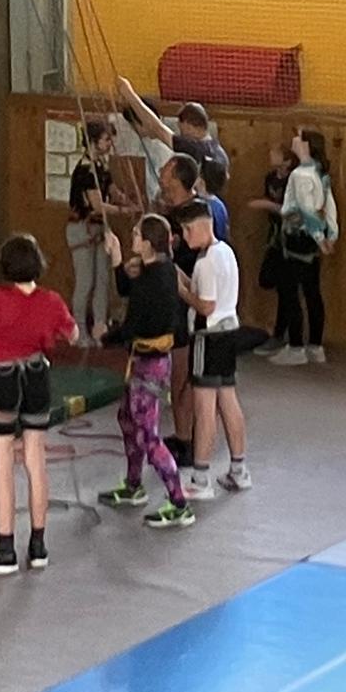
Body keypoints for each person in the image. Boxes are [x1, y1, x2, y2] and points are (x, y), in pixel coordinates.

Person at [0, 234, 78, 575]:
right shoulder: (51, 300)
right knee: (35, 461)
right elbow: (73, 335)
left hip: (3, 380)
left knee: (1, 463)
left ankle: (5, 548)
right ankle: (38, 546)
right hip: (36, 377)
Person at [97, 215, 194, 530]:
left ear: (149, 243)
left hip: (149, 365)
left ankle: (179, 502)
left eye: (137, 234)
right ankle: (133, 483)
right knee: (127, 418)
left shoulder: (155, 280)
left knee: (148, 435)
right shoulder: (159, 270)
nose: (133, 236)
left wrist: (105, 335)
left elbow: (134, 324)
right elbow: (128, 289)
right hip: (143, 360)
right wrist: (116, 257)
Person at [177, 201, 250, 501]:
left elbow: (205, 305)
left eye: (187, 230)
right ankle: (239, 469)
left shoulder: (205, 262)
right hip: (229, 332)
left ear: (202, 225)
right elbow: (208, 293)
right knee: (228, 399)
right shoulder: (225, 252)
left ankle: (200, 478)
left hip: (208, 338)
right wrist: (180, 277)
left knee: (204, 407)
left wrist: (181, 291)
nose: (185, 237)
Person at [156, 151, 225, 460]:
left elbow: (191, 275)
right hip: (180, 302)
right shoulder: (178, 212)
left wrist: (174, 277)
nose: (161, 175)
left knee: (185, 379)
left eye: (167, 171)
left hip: (191, 308)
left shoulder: (196, 218)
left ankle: (190, 442)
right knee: (180, 377)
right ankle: (183, 436)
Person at [268, 128, 338, 367]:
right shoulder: (319, 171)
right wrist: (331, 234)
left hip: (298, 237)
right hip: (312, 239)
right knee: (312, 291)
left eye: (298, 137)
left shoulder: (300, 175)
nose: (294, 140)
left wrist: (320, 237)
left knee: (290, 292)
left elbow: (308, 211)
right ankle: (315, 346)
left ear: (306, 145)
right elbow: (329, 206)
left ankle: (296, 346)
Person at [116, 74, 229, 202]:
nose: (181, 134)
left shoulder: (194, 148)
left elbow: (157, 129)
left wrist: (129, 94)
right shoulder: (219, 152)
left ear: (188, 125)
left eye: (181, 129)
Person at [66, 119, 115, 343]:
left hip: (98, 227)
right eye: (106, 139)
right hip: (82, 228)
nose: (110, 143)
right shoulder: (85, 170)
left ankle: (100, 327)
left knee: (103, 279)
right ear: (93, 141)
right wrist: (123, 210)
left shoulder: (101, 166)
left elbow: (112, 190)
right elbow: (97, 204)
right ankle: (79, 331)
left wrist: (127, 200)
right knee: (85, 282)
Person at [248, 144, 296, 356]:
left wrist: (268, 206)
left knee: (287, 290)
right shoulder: (270, 178)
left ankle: (281, 333)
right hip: (275, 237)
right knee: (266, 279)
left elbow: (291, 210)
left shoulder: (293, 180)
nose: (271, 155)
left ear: (287, 161)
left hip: (288, 238)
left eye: (277, 154)